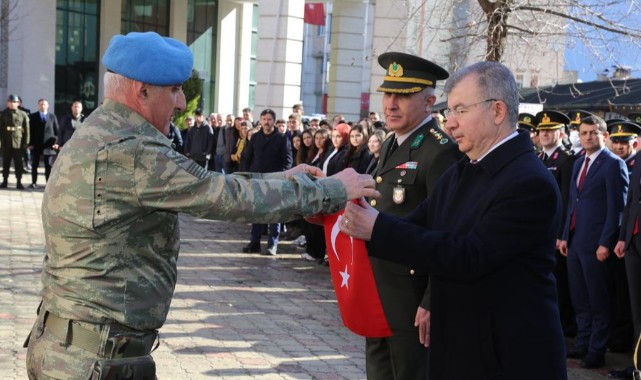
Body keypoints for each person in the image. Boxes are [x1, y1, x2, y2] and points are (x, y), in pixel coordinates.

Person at [24, 31, 379, 380]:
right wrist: (331, 189)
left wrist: (286, 177)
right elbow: (223, 197)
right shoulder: (134, 151)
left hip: (67, 346)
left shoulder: (98, 132)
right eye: (174, 90)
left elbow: (207, 182)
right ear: (141, 91)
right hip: (97, 360)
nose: (181, 103)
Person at [340, 61, 568, 380]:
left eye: (460, 110)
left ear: (497, 111)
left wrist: (377, 227)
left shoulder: (529, 182)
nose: (450, 124)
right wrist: (353, 209)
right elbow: (418, 223)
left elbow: (470, 255)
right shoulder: (467, 169)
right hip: (463, 348)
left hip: (507, 357)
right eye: (450, 112)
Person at [363, 51, 462, 380]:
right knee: (378, 371)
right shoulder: (392, 141)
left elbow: (447, 231)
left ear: (429, 101)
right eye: (388, 94)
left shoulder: (439, 150)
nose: (391, 104)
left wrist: (433, 300)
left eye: (402, 96)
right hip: (379, 287)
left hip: (411, 294)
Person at [560, 115, 629, 369]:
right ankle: (583, 342)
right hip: (576, 241)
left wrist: (605, 242)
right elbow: (572, 203)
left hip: (597, 244)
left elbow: (618, 209)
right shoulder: (578, 164)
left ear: (604, 136)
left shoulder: (613, 165)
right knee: (580, 297)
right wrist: (566, 235)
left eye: (593, 132)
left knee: (598, 299)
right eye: (584, 132)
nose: (588, 136)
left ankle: (597, 350)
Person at [534, 110, 577, 338]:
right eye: (542, 130)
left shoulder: (567, 159)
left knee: (559, 283)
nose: (545, 134)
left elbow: (566, 199)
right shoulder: (537, 158)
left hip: (555, 233)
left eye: (550, 130)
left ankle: (564, 326)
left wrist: (560, 233)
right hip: (537, 231)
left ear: (561, 134)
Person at [611, 121, 641, 379]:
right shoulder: (639, 157)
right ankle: (637, 363)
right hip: (633, 240)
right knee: (636, 306)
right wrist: (623, 238)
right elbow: (631, 201)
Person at [242, 108, 293, 256]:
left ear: (274, 121)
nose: (266, 122)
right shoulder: (256, 137)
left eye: (269, 119)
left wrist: (281, 177)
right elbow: (247, 157)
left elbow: (288, 161)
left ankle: (272, 244)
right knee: (257, 213)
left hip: (275, 182)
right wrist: (246, 175)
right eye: (264, 119)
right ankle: (254, 243)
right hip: (257, 180)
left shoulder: (282, 138)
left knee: (274, 214)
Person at [0, 94, 30, 189]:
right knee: (6, 162)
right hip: (6, 141)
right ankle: (4, 181)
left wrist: (26, 143)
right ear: (7, 103)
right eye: (10, 102)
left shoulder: (23, 114)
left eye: (14, 102)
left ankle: (19, 181)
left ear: (18, 103)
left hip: (18, 142)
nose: (12, 103)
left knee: (18, 163)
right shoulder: (3, 114)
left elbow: (27, 129)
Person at [28, 98, 59, 188]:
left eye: (44, 104)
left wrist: (56, 142)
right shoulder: (33, 116)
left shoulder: (52, 117)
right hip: (36, 145)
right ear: (38, 105)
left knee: (48, 166)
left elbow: (57, 131)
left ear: (48, 106)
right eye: (41, 104)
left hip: (49, 146)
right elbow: (30, 131)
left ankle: (48, 184)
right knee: (34, 165)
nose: (43, 106)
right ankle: (34, 182)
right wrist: (30, 144)